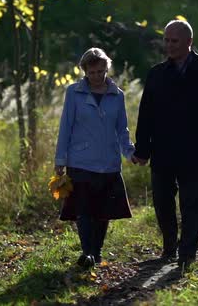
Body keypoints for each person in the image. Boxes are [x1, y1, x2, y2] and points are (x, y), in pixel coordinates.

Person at [131, 20, 198, 269]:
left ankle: (187, 254)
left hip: (193, 150)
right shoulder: (156, 74)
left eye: (173, 40)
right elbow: (146, 115)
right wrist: (142, 149)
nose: (168, 45)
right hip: (162, 150)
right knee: (163, 202)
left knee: (192, 204)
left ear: (189, 42)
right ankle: (169, 249)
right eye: (166, 40)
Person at [55, 47, 135, 268]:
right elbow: (66, 127)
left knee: (103, 211)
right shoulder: (73, 93)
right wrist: (60, 160)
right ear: (85, 72)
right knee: (83, 211)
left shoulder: (117, 95)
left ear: (107, 69)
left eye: (101, 71)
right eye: (92, 72)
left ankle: (96, 253)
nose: (97, 76)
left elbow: (122, 130)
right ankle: (87, 252)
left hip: (108, 163)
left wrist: (130, 153)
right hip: (79, 162)